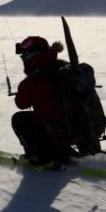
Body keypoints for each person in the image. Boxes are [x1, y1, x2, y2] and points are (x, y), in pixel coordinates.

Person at [11, 36, 75, 166]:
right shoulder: (63, 67)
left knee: (19, 119)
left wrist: (23, 91)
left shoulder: (32, 80)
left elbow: (21, 104)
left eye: (24, 56)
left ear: (29, 56)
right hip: (76, 127)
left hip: (56, 130)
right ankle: (62, 150)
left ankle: (41, 157)